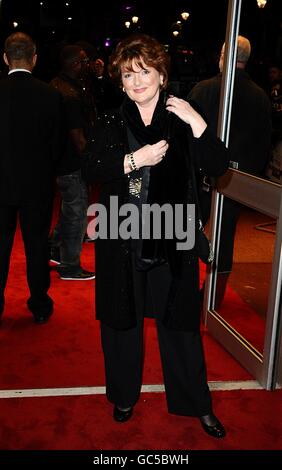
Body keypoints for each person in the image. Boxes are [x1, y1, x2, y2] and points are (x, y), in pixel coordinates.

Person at [83, 34, 229, 438]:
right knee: (121, 322)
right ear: (121, 82)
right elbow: (91, 168)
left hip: (173, 238)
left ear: (162, 75)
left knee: (179, 325)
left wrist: (198, 124)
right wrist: (135, 160)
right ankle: (124, 396)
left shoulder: (183, 115)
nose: (137, 81)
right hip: (122, 236)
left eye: (145, 71)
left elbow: (217, 165)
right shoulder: (113, 119)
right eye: (129, 75)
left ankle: (196, 403)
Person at [188, 36, 272, 307]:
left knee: (189, 227)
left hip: (201, 173)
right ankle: (214, 297)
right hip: (238, 178)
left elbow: (184, 135)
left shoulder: (204, 89)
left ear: (223, 57)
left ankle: (182, 287)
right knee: (224, 237)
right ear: (247, 59)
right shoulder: (260, 96)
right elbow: (264, 143)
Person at [0, 32, 63, 323]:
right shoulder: (50, 95)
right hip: (37, 186)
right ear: (34, 59)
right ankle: (40, 306)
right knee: (37, 247)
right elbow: (57, 146)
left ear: (5, 58)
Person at [49, 45, 95, 280]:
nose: (88, 65)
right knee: (77, 212)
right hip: (71, 162)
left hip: (60, 160)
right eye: (85, 61)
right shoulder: (69, 93)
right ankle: (69, 265)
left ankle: (54, 247)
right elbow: (78, 137)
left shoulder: (58, 84)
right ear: (75, 64)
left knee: (70, 207)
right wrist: (93, 162)